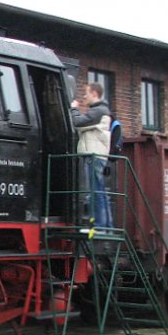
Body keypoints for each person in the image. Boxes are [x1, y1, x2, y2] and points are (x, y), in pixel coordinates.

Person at [70, 82, 113, 229]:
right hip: (96, 156)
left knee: (96, 192)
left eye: (87, 93)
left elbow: (78, 122)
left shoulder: (98, 111)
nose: (84, 96)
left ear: (94, 94)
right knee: (99, 191)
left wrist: (74, 108)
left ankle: (99, 226)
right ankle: (106, 225)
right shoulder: (101, 111)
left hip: (94, 156)